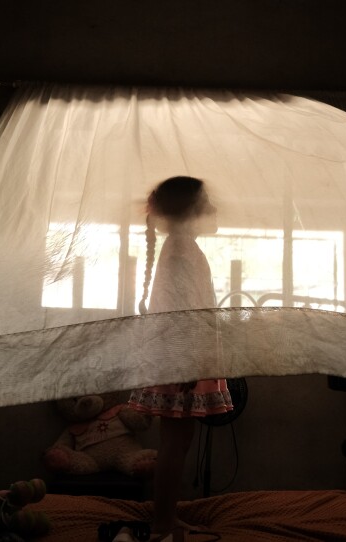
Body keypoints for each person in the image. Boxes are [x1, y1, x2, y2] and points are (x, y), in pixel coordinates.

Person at [128, 176, 233, 541]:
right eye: (208, 202)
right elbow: (179, 312)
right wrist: (186, 362)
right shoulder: (181, 251)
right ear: (191, 211)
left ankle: (166, 518)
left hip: (183, 357)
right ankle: (162, 524)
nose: (215, 209)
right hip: (181, 359)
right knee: (175, 443)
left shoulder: (183, 247)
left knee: (178, 442)